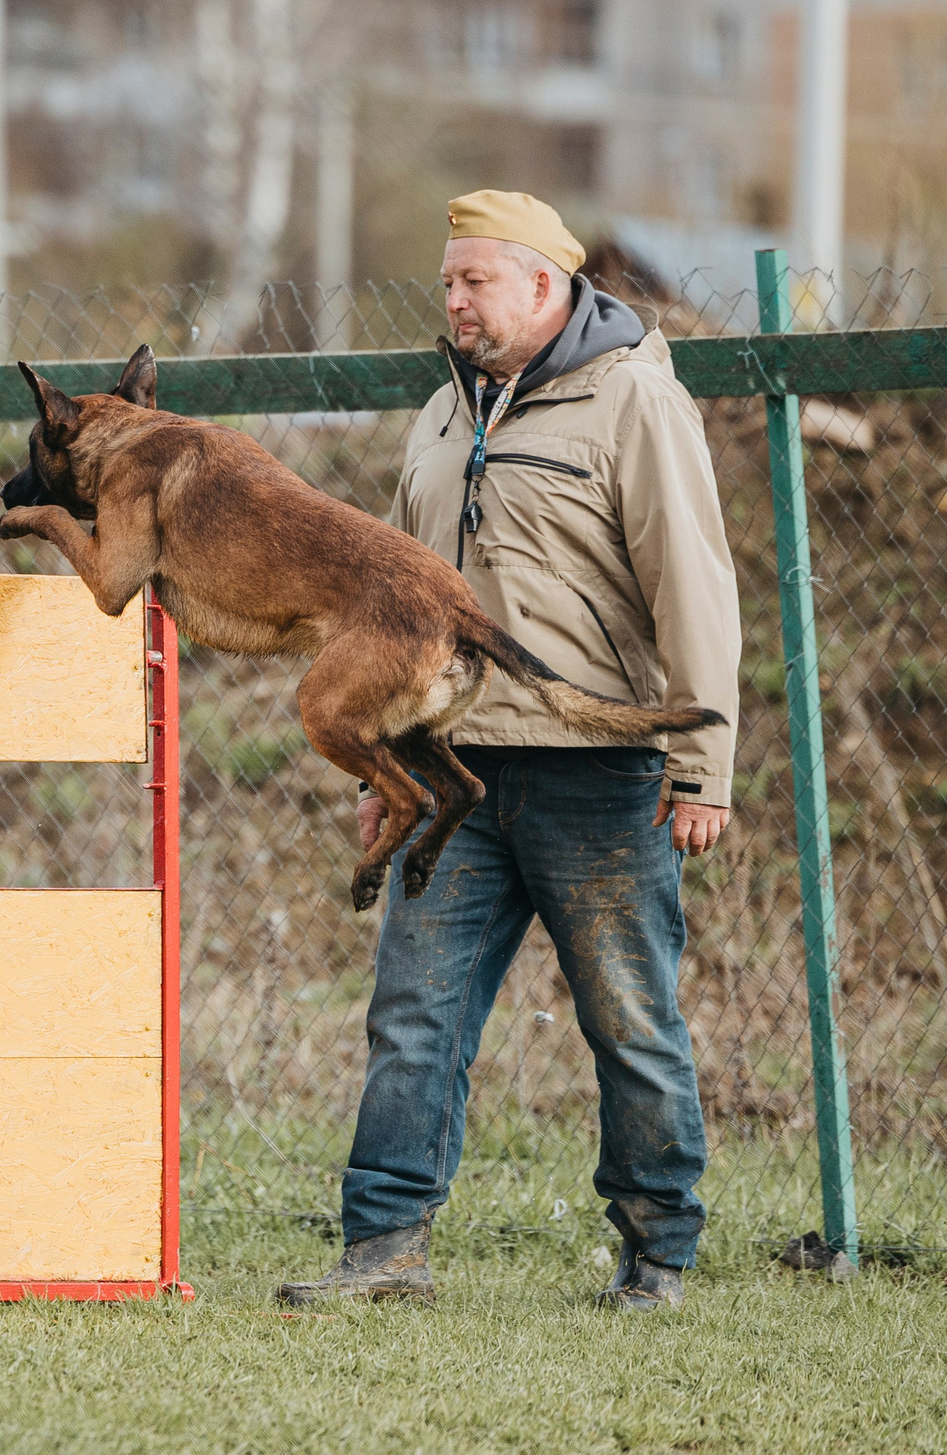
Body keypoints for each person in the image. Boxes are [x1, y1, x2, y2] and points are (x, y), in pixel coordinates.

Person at [276, 190, 742, 1313]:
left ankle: (658, 1254)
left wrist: (703, 770)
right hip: (451, 779)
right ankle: (384, 1249)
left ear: (545, 284)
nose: (453, 300)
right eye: (448, 281)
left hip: (599, 774)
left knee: (629, 1020)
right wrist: (379, 769)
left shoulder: (634, 398)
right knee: (413, 1016)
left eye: (474, 280)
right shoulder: (444, 409)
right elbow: (384, 606)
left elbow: (695, 588)